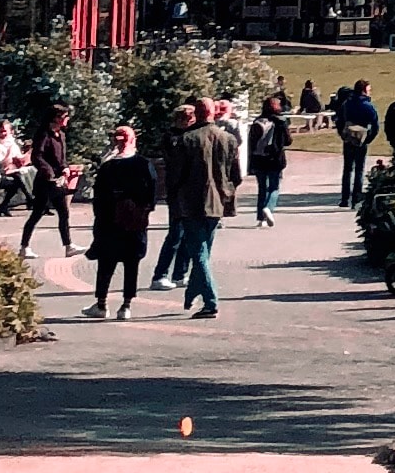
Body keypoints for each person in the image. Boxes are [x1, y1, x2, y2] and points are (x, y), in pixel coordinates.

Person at [162, 98, 239, 318]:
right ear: (214, 112)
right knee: (203, 251)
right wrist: (226, 190)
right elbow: (236, 175)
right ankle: (195, 291)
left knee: (199, 253)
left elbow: (175, 176)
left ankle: (210, 301)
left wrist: (173, 197)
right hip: (217, 203)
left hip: (192, 202)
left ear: (196, 114)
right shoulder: (228, 139)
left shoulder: (187, 140)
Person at [87, 121, 158, 317]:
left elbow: (99, 196)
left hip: (109, 221)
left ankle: (101, 304)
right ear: (134, 139)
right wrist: (143, 212)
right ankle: (126, 306)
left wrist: (99, 220)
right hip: (135, 221)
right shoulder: (144, 164)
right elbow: (152, 194)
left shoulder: (109, 166)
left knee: (106, 263)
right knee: (131, 263)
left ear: (115, 141)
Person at [17, 105, 80, 260]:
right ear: (56, 118)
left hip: (58, 181)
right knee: (37, 213)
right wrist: (49, 173)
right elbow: (37, 157)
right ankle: (24, 247)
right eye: (65, 116)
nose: (67, 120)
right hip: (46, 182)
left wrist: (65, 168)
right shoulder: (44, 134)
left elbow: (62, 158)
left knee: (63, 213)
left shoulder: (61, 135)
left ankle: (68, 246)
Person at [332, 79, 380, 208]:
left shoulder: (347, 104)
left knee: (347, 169)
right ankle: (356, 199)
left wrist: (343, 134)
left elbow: (339, 120)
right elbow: (375, 125)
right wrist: (369, 138)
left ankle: (344, 198)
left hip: (348, 138)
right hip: (361, 139)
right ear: (364, 90)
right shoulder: (368, 106)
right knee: (359, 169)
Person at [245, 95, 291, 225]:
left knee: (262, 189)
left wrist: (250, 163)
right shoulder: (280, 122)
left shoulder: (257, 122)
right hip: (275, 159)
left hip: (259, 159)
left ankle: (261, 219)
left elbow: (251, 144)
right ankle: (268, 208)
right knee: (274, 187)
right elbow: (288, 141)